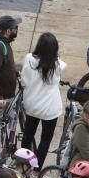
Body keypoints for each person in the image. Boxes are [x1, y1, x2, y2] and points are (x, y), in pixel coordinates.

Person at [19, 32, 65, 168]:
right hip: (49, 109)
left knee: (27, 135)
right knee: (45, 140)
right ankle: (36, 171)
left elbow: (25, 80)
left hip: (31, 105)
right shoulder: (57, 65)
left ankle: (24, 166)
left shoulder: (28, 59)